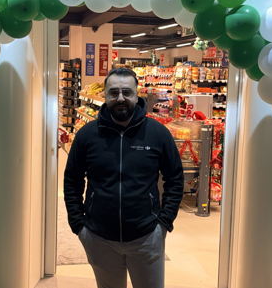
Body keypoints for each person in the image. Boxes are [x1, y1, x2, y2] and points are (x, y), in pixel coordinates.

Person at [64, 67, 184, 288]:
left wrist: (164, 223)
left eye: (127, 92)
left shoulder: (158, 134)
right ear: (105, 95)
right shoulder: (87, 135)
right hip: (100, 238)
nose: (120, 98)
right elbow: (72, 180)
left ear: (137, 95)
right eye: (114, 92)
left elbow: (175, 178)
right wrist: (78, 224)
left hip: (146, 237)